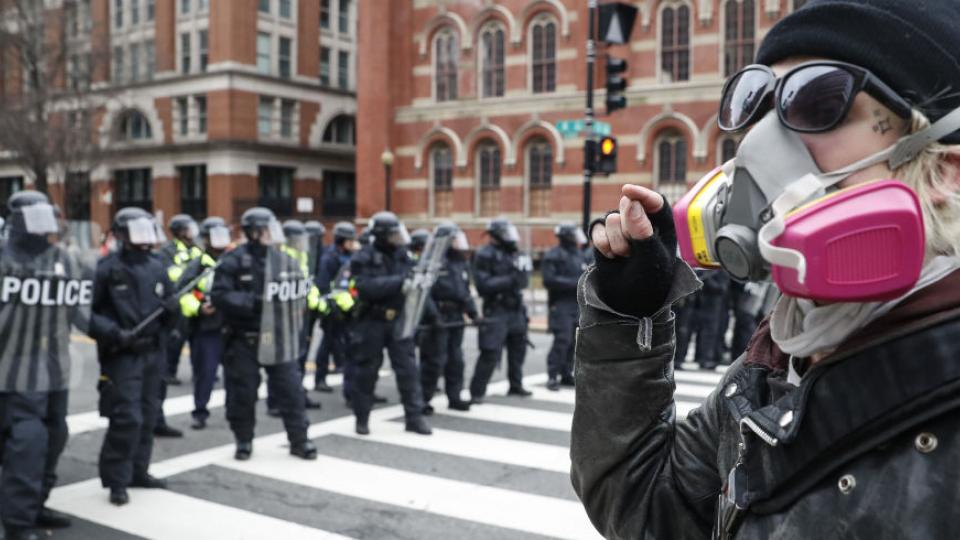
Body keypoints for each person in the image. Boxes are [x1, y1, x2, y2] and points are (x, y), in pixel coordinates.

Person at [571, 2, 960, 537]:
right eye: (759, 101)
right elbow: (648, 506)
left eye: (819, 98)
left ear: (945, 168)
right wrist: (627, 316)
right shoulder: (784, 350)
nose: (759, 143)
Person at [0, 192, 82, 539]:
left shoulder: (63, 259)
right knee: (27, 444)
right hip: (13, 371)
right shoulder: (3, 261)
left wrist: (115, 333)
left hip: (53, 370)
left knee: (54, 437)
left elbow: (79, 310)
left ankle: (36, 504)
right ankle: (18, 523)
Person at [210, 207, 317, 461]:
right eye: (267, 229)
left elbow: (299, 290)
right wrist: (255, 302)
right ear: (254, 232)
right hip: (244, 338)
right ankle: (244, 440)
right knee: (242, 393)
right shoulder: (233, 260)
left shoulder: (284, 259)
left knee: (291, 390)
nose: (273, 234)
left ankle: (299, 440)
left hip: (278, 337)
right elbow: (220, 295)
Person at [90, 208, 174, 506]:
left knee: (149, 414)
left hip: (153, 352)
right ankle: (117, 480)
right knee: (127, 417)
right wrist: (113, 333)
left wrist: (174, 312)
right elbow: (88, 314)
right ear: (121, 234)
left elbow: (169, 305)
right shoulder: (106, 268)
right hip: (123, 354)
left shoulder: (157, 266)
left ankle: (139, 471)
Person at [348, 211, 431, 436]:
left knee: (408, 371)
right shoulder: (363, 257)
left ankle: (414, 417)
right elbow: (364, 287)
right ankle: (362, 418)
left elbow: (412, 278)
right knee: (367, 372)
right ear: (383, 235)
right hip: (372, 321)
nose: (399, 238)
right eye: (394, 234)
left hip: (399, 320)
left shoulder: (403, 255)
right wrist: (398, 283)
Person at [469, 218, 532, 403]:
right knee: (490, 352)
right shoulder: (484, 254)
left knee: (518, 348)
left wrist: (521, 275)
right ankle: (477, 392)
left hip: (515, 308)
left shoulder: (514, 253)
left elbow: (523, 280)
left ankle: (516, 384)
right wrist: (511, 279)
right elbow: (483, 285)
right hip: (496, 309)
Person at [177, 216, 230, 430]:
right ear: (206, 239)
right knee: (205, 373)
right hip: (206, 328)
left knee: (236, 375)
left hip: (231, 326)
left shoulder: (233, 260)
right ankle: (200, 412)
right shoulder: (198, 264)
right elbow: (182, 293)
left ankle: (234, 411)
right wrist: (199, 308)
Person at [152, 214, 202, 439]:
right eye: (188, 229)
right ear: (179, 231)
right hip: (177, 303)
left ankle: (158, 420)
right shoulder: (167, 251)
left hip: (196, 302)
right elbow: (170, 275)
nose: (193, 232)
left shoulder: (195, 249)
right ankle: (171, 370)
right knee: (175, 340)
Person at [419, 222, 475, 414]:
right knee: (434, 361)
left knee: (456, 360)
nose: (459, 243)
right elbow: (424, 294)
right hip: (438, 317)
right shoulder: (431, 262)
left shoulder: (460, 262)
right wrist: (434, 317)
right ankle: (423, 399)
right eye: (455, 239)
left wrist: (473, 312)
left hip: (455, 316)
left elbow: (465, 291)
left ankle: (455, 397)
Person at [542, 222, 588, 391]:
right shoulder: (553, 255)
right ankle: (552, 376)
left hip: (576, 304)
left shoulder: (578, 254)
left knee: (574, 342)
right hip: (560, 303)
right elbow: (549, 280)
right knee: (562, 340)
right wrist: (576, 283)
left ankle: (566, 373)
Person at [314, 221, 357, 393]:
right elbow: (324, 284)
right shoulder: (329, 258)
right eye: (349, 240)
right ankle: (320, 378)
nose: (352, 244)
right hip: (332, 309)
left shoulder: (349, 256)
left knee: (344, 344)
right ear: (341, 241)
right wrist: (330, 305)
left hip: (346, 308)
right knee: (327, 343)